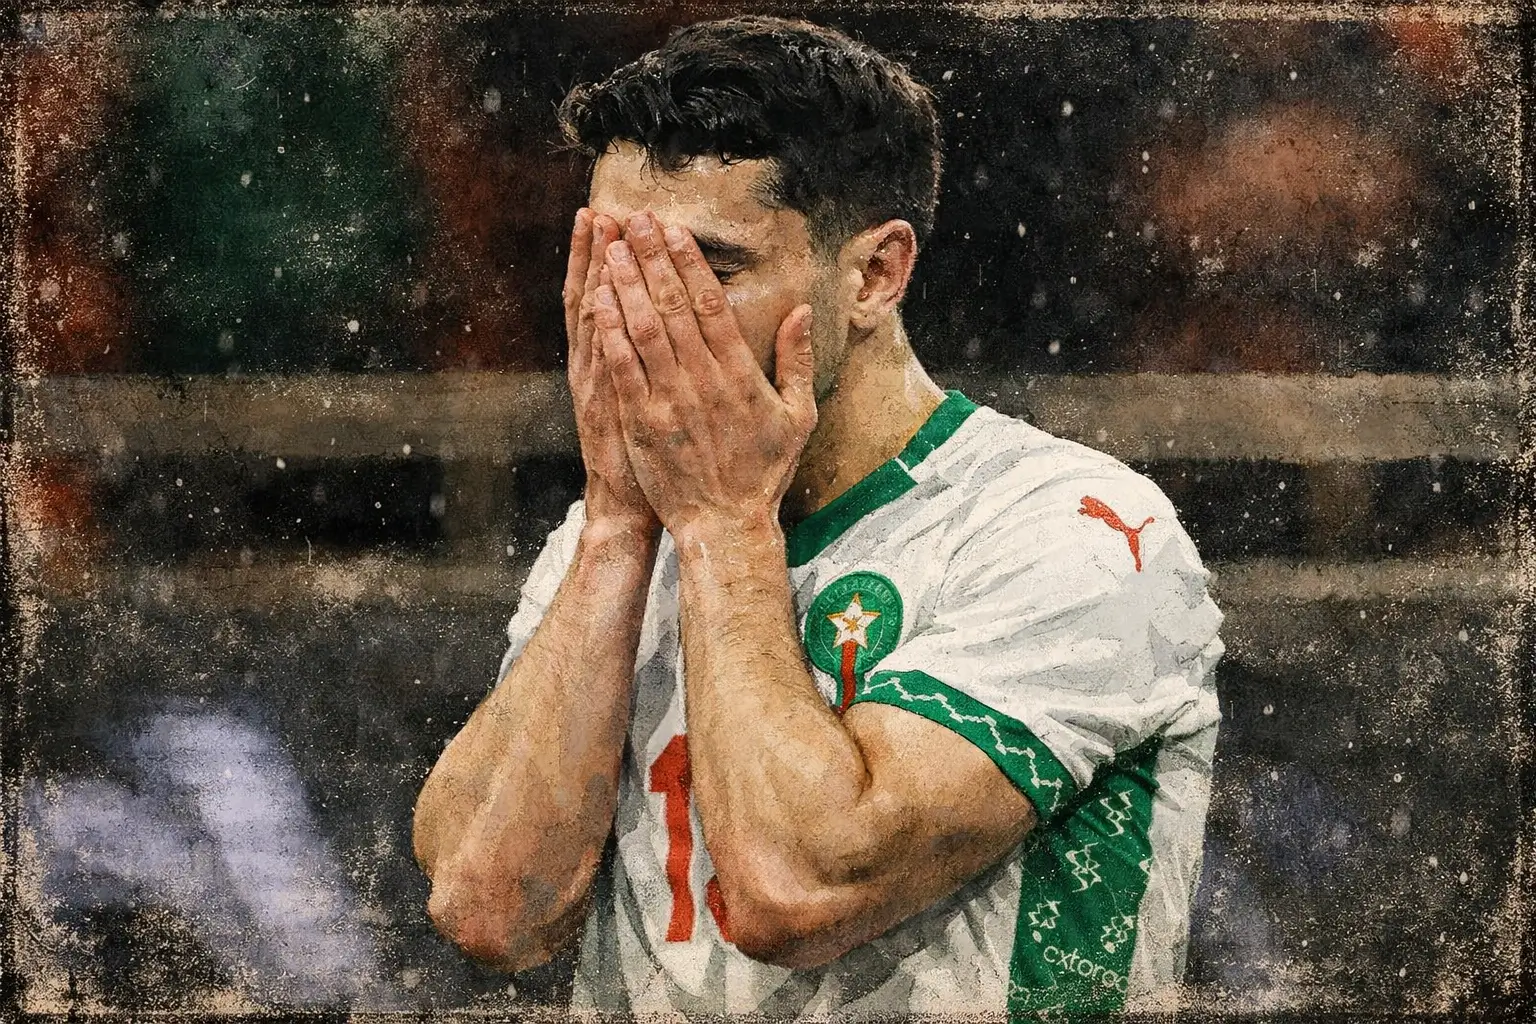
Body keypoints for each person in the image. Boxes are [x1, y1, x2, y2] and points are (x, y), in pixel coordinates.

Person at [411, 15, 1224, 1018]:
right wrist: (619, 523)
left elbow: (798, 891)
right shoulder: (610, 540)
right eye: (617, 263)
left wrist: (722, 527)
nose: (642, 316)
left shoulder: (1077, 532)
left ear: (875, 275)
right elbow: (490, 910)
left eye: (707, 270)